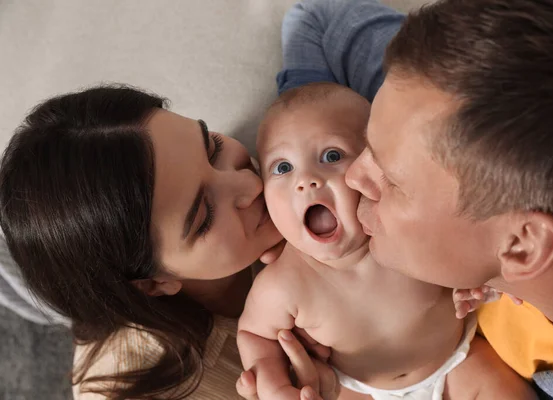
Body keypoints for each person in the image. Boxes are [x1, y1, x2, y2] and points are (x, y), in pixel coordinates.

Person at [240, 0, 553, 399]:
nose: (354, 178)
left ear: (520, 246)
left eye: (390, 179)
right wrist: (303, 134)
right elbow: (317, 14)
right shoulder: (439, 85)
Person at [0, 85, 338, 400]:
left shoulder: (285, 147)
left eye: (213, 148)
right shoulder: (139, 388)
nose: (249, 185)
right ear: (155, 282)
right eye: (204, 217)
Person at [238, 81, 535, 400]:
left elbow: (466, 257)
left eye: (331, 155)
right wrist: (272, 380)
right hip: (358, 388)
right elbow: (254, 335)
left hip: (456, 361)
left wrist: (481, 284)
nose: (305, 180)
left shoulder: (409, 231)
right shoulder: (282, 285)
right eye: (282, 167)